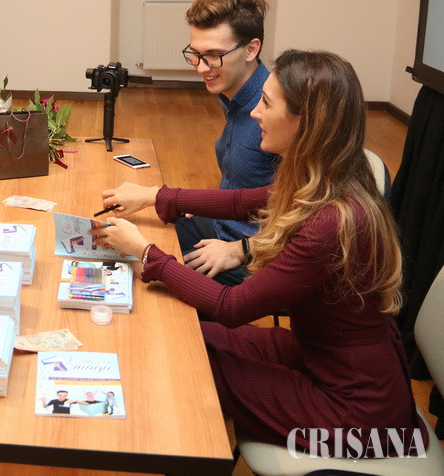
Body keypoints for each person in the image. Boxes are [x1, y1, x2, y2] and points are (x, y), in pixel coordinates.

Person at [93, 50, 428, 456]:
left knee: (181, 355)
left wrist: (148, 254)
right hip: (323, 359)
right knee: (179, 336)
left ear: (306, 123)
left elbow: (231, 306)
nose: (255, 113)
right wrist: (156, 196)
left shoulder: (332, 221)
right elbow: (241, 203)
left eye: (267, 103)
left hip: (357, 412)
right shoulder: (325, 179)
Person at [176, 0, 279, 286]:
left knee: (147, 270)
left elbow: (310, 213)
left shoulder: (278, 111)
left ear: (251, 49)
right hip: (226, 229)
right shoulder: (234, 94)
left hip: (256, 257)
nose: (201, 67)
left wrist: (240, 249)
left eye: (214, 56)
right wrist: (209, 203)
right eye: (195, 54)